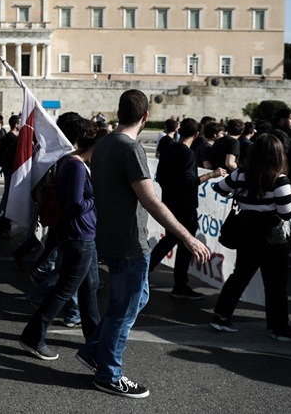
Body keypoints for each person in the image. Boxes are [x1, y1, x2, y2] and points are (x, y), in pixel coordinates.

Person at [76, 90, 210, 399]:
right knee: (125, 309)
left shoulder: (105, 143)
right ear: (145, 117)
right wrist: (188, 238)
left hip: (108, 236)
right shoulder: (130, 148)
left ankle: (94, 349)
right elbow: (151, 201)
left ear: (118, 112)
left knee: (137, 298)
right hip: (129, 241)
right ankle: (109, 374)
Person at [210, 134, 291, 343]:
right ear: (278, 156)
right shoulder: (280, 180)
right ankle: (279, 327)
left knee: (240, 275)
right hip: (271, 237)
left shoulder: (241, 174)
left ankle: (221, 316)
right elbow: (286, 214)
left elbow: (218, 188)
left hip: (246, 232)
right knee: (275, 284)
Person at [18, 117, 101, 361]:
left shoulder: (72, 162)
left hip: (83, 234)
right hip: (79, 235)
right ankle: (33, 336)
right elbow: (74, 204)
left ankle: (95, 338)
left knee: (89, 287)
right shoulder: (75, 165)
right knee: (65, 289)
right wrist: (97, 199)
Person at [151, 118, 225, 299]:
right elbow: (189, 182)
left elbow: (159, 176)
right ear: (196, 134)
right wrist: (213, 174)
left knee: (168, 241)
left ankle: (145, 273)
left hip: (169, 202)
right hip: (185, 206)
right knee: (185, 244)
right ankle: (180, 285)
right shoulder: (187, 153)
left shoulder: (168, 149)